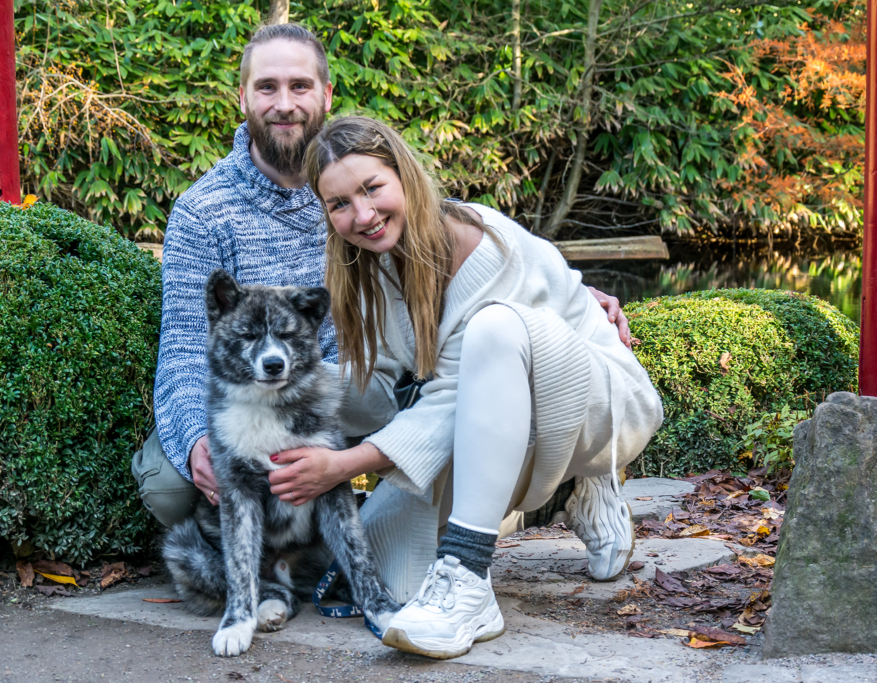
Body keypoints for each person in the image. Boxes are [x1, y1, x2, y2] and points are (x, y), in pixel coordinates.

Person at [133, 23, 634, 535]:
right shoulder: (203, 211)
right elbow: (186, 347)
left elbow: (450, 233)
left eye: (300, 86)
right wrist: (199, 437)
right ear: (242, 97)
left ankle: (559, 486)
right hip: (270, 399)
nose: (284, 103)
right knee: (171, 490)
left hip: (374, 390)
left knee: (454, 413)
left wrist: (568, 297)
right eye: (267, 87)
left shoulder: (359, 174)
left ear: (326, 94)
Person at [263, 116, 663, 659]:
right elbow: (380, 387)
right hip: (494, 416)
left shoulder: (479, 245)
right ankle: (554, 496)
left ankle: (477, 568)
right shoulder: (368, 267)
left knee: (493, 329)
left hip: (600, 402)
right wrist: (276, 396)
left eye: (372, 188)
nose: (362, 215)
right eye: (338, 204)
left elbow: (448, 400)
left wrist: (343, 465)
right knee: (397, 583)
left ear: (404, 175)